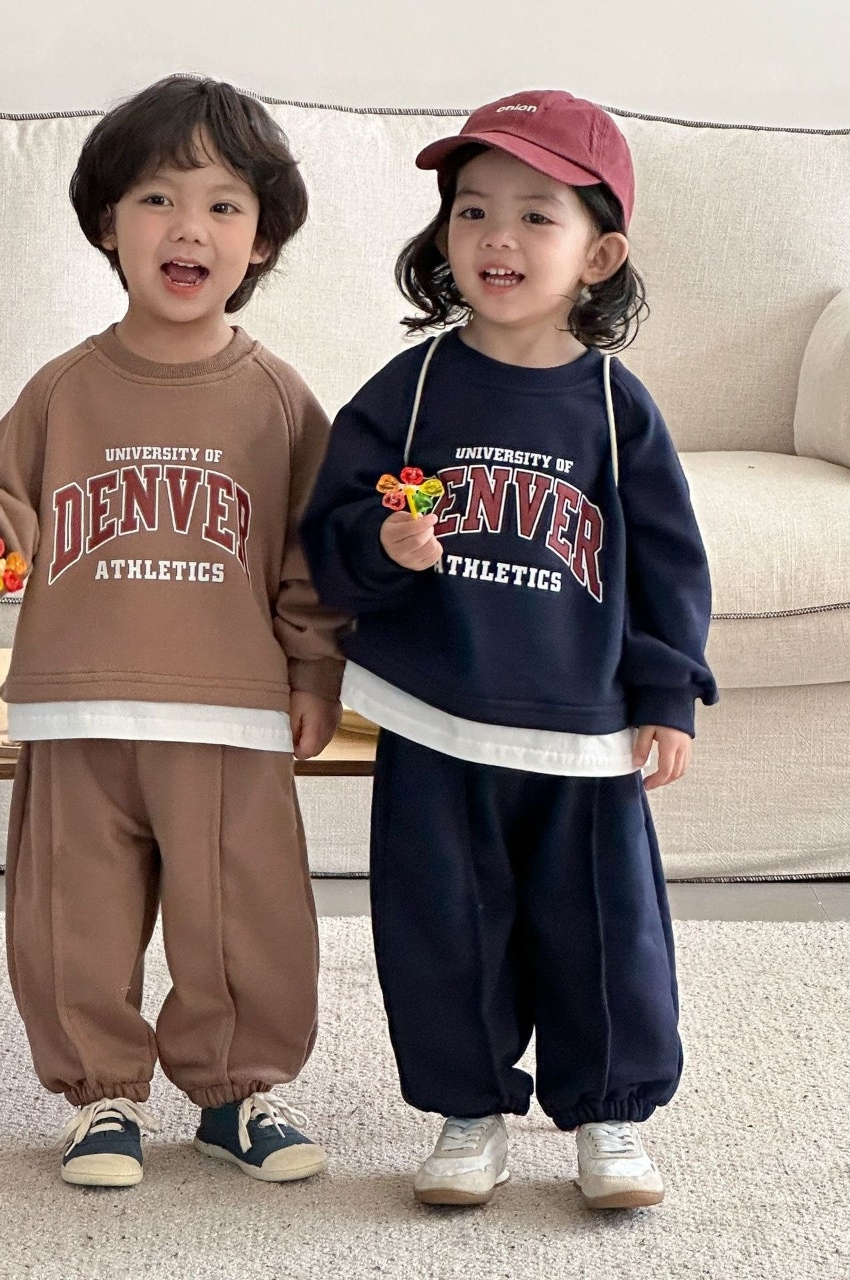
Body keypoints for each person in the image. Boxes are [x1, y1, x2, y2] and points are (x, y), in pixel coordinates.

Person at [0, 75, 345, 1190]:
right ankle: (101, 1097)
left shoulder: (278, 398)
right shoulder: (64, 388)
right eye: (156, 198)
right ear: (108, 224)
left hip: (229, 707)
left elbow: (314, 551)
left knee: (242, 915)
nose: (187, 226)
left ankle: (235, 1095)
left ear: (261, 241)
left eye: (222, 204)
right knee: (75, 913)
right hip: (78, 701)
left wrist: (313, 670)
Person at [300, 89, 717, 1210]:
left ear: (599, 254)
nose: (498, 235)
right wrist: (382, 544)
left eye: (537, 215)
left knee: (605, 933)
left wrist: (666, 693)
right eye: (473, 209)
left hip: (580, 727)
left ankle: (610, 1115)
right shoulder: (412, 388)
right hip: (437, 713)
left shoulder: (613, 408)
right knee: (441, 927)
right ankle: (467, 1110)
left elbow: (668, 563)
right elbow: (328, 533)